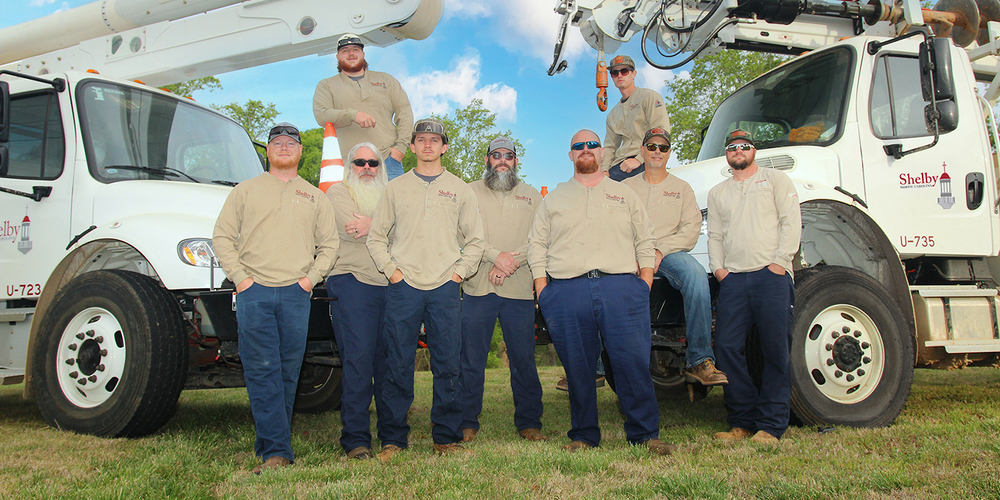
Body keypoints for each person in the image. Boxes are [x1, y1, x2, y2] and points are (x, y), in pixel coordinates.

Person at [527, 129, 675, 455]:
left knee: (632, 364)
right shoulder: (554, 198)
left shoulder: (623, 194)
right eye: (578, 146)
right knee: (578, 368)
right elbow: (537, 244)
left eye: (592, 144)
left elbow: (645, 238)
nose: (586, 149)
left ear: (602, 152)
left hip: (621, 288)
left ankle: (645, 434)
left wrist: (644, 281)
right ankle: (583, 435)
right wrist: (542, 288)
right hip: (567, 291)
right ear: (570, 155)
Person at [212, 122, 339, 473]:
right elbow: (222, 237)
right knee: (261, 370)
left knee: (287, 372)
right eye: (277, 143)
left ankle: (269, 443)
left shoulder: (315, 196)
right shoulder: (245, 191)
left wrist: (309, 280)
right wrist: (241, 279)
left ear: (300, 151)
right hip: (254, 293)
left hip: (296, 295)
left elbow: (330, 245)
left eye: (290, 143)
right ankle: (278, 452)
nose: (284, 147)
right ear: (267, 151)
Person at [366, 118, 486, 461]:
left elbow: (476, 241)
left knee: (448, 364)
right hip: (404, 287)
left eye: (434, 140)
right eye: (421, 139)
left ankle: (446, 436)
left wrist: (458, 274)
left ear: (444, 147)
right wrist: (392, 272)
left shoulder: (460, 189)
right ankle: (393, 439)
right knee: (397, 363)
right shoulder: (395, 188)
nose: (428, 145)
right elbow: (376, 238)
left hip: (445, 287)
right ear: (413, 146)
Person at [707, 130, 801, 444]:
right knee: (725, 347)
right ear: (726, 154)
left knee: (775, 350)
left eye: (744, 146)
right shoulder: (718, 192)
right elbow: (715, 235)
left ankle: (771, 426)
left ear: (754, 151)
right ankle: (742, 421)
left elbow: (791, 221)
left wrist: (779, 263)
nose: (738, 150)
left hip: (771, 276)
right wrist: (719, 270)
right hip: (734, 279)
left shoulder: (775, 180)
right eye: (732, 147)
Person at [623, 128, 728, 386]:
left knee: (696, 275)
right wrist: (634, 254)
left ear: (669, 153)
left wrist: (661, 250)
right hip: (631, 255)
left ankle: (699, 360)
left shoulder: (682, 188)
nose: (657, 151)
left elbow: (691, 229)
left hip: (669, 254)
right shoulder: (625, 188)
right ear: (642, 151)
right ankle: (595, 367)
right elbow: (614, 226)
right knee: (598, 283)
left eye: (663, 147)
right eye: (651, 146)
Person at [459, 136, 546, 444]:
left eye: (508, 155)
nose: (502, 160)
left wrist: (510, 263)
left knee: (523, 359)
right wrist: (496, 257)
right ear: (487, 160)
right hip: (477, 287)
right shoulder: (469, 191)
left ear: (515, 161)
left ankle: (529, 422)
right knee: (471, 359)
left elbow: (540, 239)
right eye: (496, 155)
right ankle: (466, 421)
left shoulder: (532, 196)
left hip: (519, 290)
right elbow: (463, 234)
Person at [324, 142, 391, 460]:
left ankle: (392, 435)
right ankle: (355, 440)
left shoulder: (391, 194)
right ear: (349, 166)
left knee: (389, 363)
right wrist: (385, 226)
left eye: (373, 163)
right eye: (359, 162)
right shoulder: (338, 192)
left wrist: (372, 224)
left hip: (390, 284)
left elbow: (408, 230)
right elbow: (351, 229)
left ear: (381, 167)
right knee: (359, 361)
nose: (366, 168)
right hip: (352, 282)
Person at [313, 34, 413, 180]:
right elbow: (322, 115)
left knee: (395, 196)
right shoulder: (326, 85)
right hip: (350, 164)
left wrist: (400, 149)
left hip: (388, 161)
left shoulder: (386, 80)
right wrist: (353, 115)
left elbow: (405, 113)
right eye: (345, 50)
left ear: (363, 54)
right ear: (338, 57)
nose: (351, 53)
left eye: (356, 49)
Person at [600, 55, 671, 182]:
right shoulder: (612, 114)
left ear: (633, 74)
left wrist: (639, 159)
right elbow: (610, 146)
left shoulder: (648, 97)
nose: (619, 75)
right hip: (619, 167)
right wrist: (604, 170)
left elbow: (661, 132)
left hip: (644, 162)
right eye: (615, 73)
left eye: (624, 71)